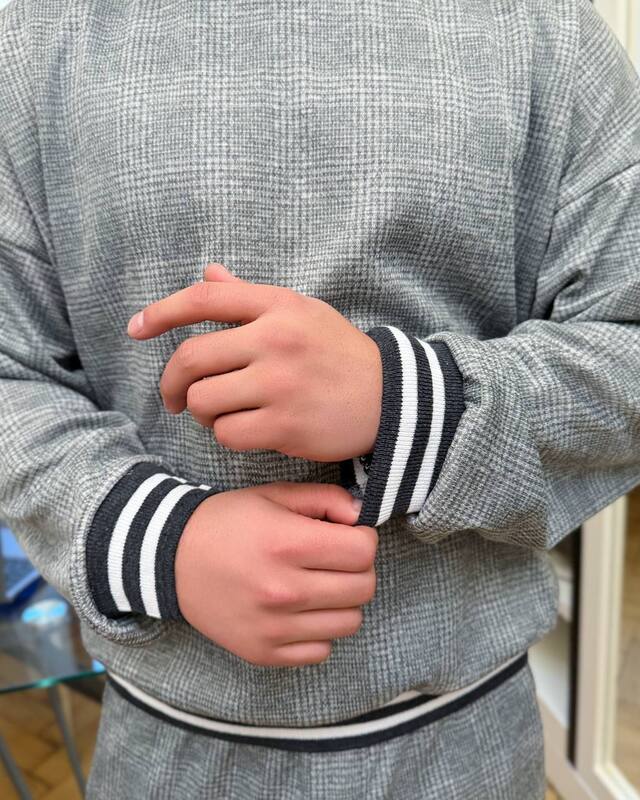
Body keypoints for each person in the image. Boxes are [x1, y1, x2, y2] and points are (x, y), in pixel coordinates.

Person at [1, 0, 639, 796]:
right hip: (165, 750)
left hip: (471, 746)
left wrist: (403, 403)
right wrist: (160, 543)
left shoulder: (544, 30)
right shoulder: (36, 38)